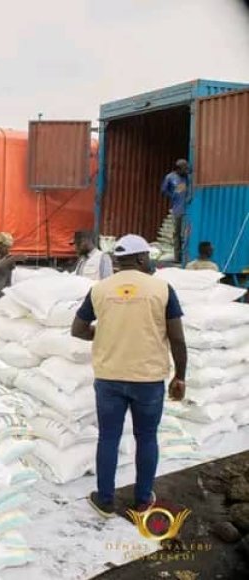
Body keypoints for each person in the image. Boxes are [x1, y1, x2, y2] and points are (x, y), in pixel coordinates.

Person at [71, 234, 187, 518]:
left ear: (118, 261)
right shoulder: (162, 289)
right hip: (148, 380)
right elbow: (177, 339)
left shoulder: (99, 290)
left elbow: (78, 329)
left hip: (110, 378)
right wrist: (180, 377)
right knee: (146, 437)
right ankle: (143, 500)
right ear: (141, 258)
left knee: (108, 437)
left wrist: (98, 333)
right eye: (148, 257)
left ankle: (105, 501)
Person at [161, 159, 190, 263]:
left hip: (188, 210)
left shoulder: (187, 178)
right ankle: (178, 257)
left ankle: (187, 257)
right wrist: (173, 195)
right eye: (184, 169)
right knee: (177, 234)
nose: (186, 171)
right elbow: (163, 190)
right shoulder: (170, 177)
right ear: (178, 169)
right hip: (177, 209)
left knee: (186, 234)